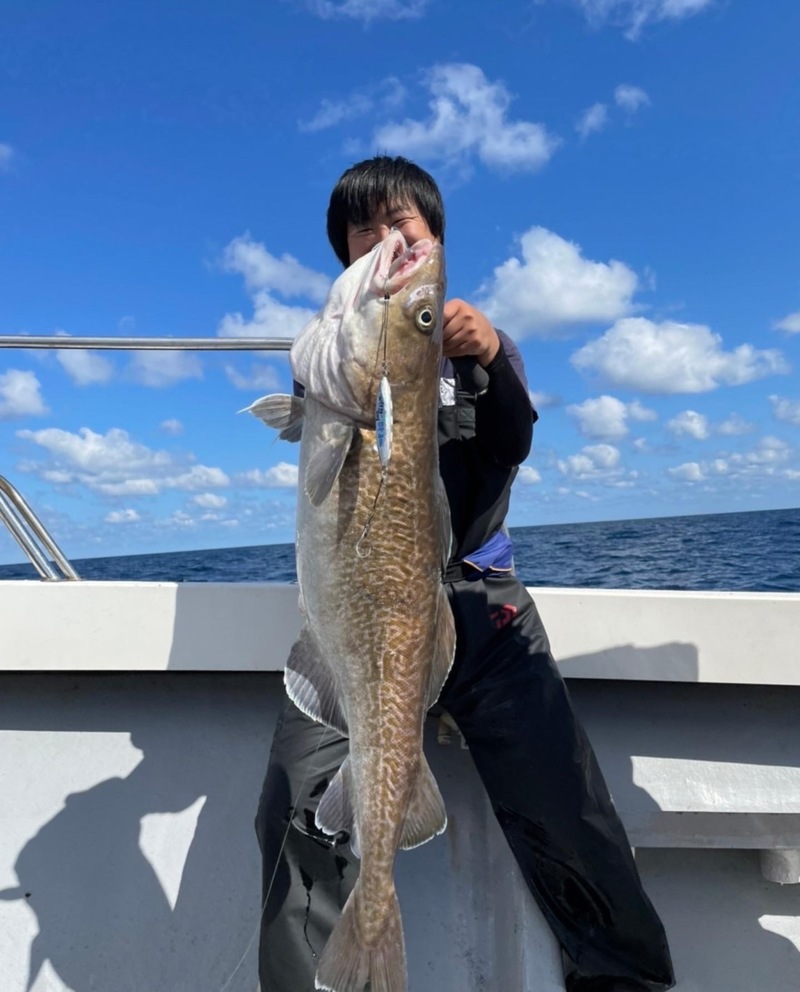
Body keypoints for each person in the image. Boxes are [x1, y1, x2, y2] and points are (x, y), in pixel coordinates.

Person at [255, 155, 676, 992]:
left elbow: (512, 438)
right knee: (294, 808)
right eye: (362, 232)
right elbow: (318, 386)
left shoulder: (478, 346)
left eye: (403, 227)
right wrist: (323, 377)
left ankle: (628, 981)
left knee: (572, 813)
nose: (384, 242)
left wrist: (484, 358)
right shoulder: (335, 360)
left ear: (439, 242)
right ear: (342, 256)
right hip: (362, 623)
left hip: (479, 613)